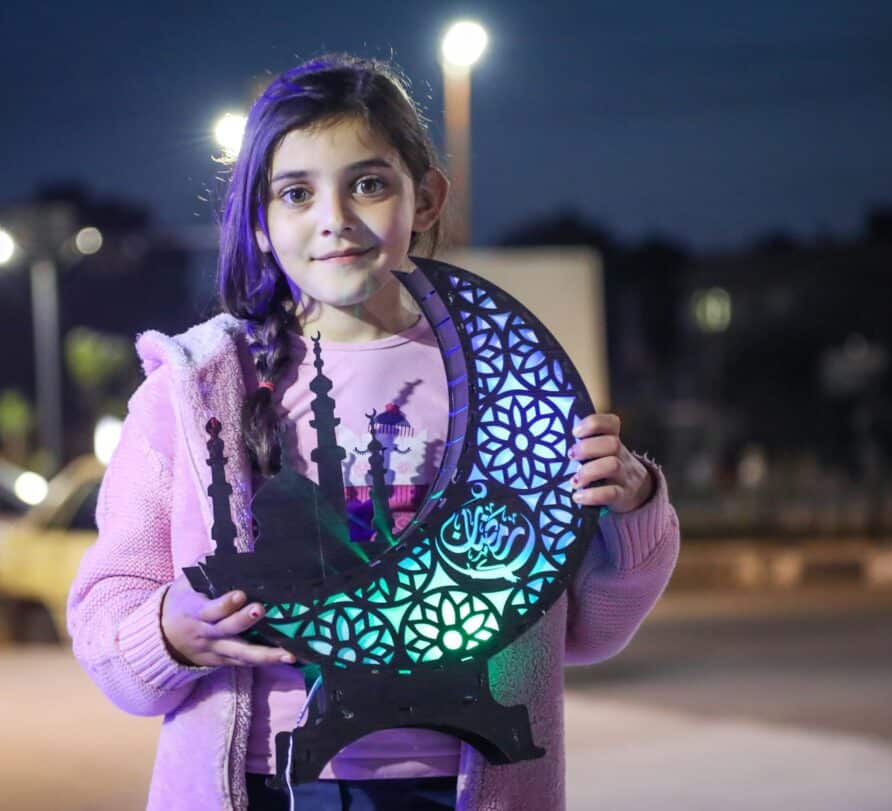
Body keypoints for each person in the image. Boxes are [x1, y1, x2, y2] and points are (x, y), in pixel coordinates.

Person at [67, 54, 679, 811]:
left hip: (460, 787)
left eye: (368, 183)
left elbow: (588, 630)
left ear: (426, 198)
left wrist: (634, 507)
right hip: (262, 785)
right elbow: (107, 611)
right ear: (258, 223)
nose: (336, 218)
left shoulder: (510, 380)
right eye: (297, 193)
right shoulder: (193, 393)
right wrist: (165, 631)